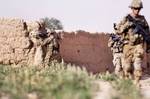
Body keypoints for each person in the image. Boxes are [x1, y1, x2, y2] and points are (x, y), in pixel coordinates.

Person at [115, 0, 150, 85]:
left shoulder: (142, 19)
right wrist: (127, 25)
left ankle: (137, 83)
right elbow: (118, 30)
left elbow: (147, 34)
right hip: (128, 46)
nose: (137, 10)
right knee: (127, 67)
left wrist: (148, 46)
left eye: (139, 8)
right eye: (135, 8)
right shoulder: (127, 18)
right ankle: (128, 84)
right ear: (132, 8)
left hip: (138, 45)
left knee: (138, 65)